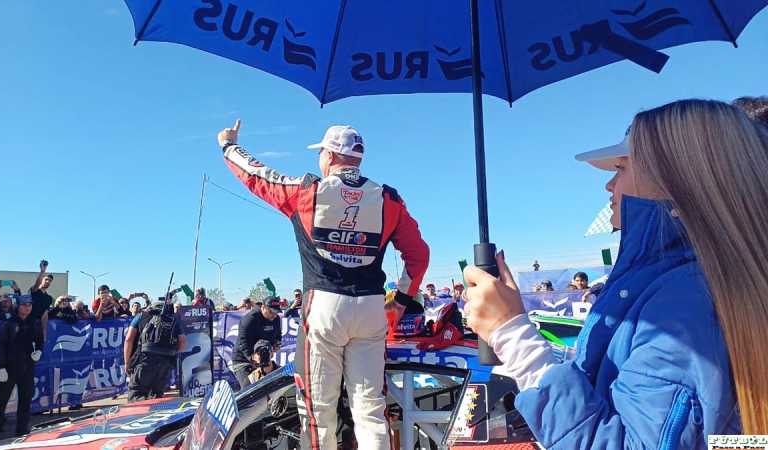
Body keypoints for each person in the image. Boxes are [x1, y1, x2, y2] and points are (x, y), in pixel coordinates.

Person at [463, 99, 768, 447]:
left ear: (675, 180)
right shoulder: (689, 282)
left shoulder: (682, 301)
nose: (609, 186)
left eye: (621, 168)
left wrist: (515, 338)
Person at [218, 120, 429, 450]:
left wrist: (229, 146)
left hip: (324, 310)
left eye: (321, 154)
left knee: (318, 414)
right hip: (372, 308)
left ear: (330, 156)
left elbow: (257, 176)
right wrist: (400, 301)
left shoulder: (307, 191)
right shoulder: (389, 198)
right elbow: (418, 255)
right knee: (371, 411)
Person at [0, 296, 43, 438]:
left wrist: (39, 351)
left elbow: (40, 340)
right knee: (1, 401)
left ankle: (21, 433)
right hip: (8, 368)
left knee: (25, 400)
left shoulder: (34, 322)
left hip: (27, 367)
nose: (27, 307)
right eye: (24, 305)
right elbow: (0, 345)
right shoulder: (9, 323)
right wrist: (1, 367)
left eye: (29, 305)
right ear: (18, 306)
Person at [124, 300, 185, 401]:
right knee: (156, 397)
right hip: (166, 363)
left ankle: (139, 415)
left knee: (136, 395)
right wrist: (172, 353)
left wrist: (127, 363)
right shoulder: (174, 320)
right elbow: (182, 342)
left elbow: (128, 339)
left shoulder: (142, 316)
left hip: (145, 361)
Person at [231, 297, 282, 389]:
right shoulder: (250, 319)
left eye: (276, 312)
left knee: (275, 384)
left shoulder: (276, 319)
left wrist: (276, 345)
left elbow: (278, 336)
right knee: (249, 390)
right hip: (243, 360)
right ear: (263, 307)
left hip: (264, 358)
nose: (274, 315)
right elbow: (243, 342)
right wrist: (252, 357)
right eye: (271, 312)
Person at [29, 260, 52, 345]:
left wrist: (44, 333)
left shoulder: (49, 298)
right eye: (46, 279)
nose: (48, 282)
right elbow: (37, 284)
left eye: (50, 281)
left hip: (37, 328)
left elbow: (44, 316)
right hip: (27, 325)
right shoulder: (34, 291)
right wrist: (42, 271)